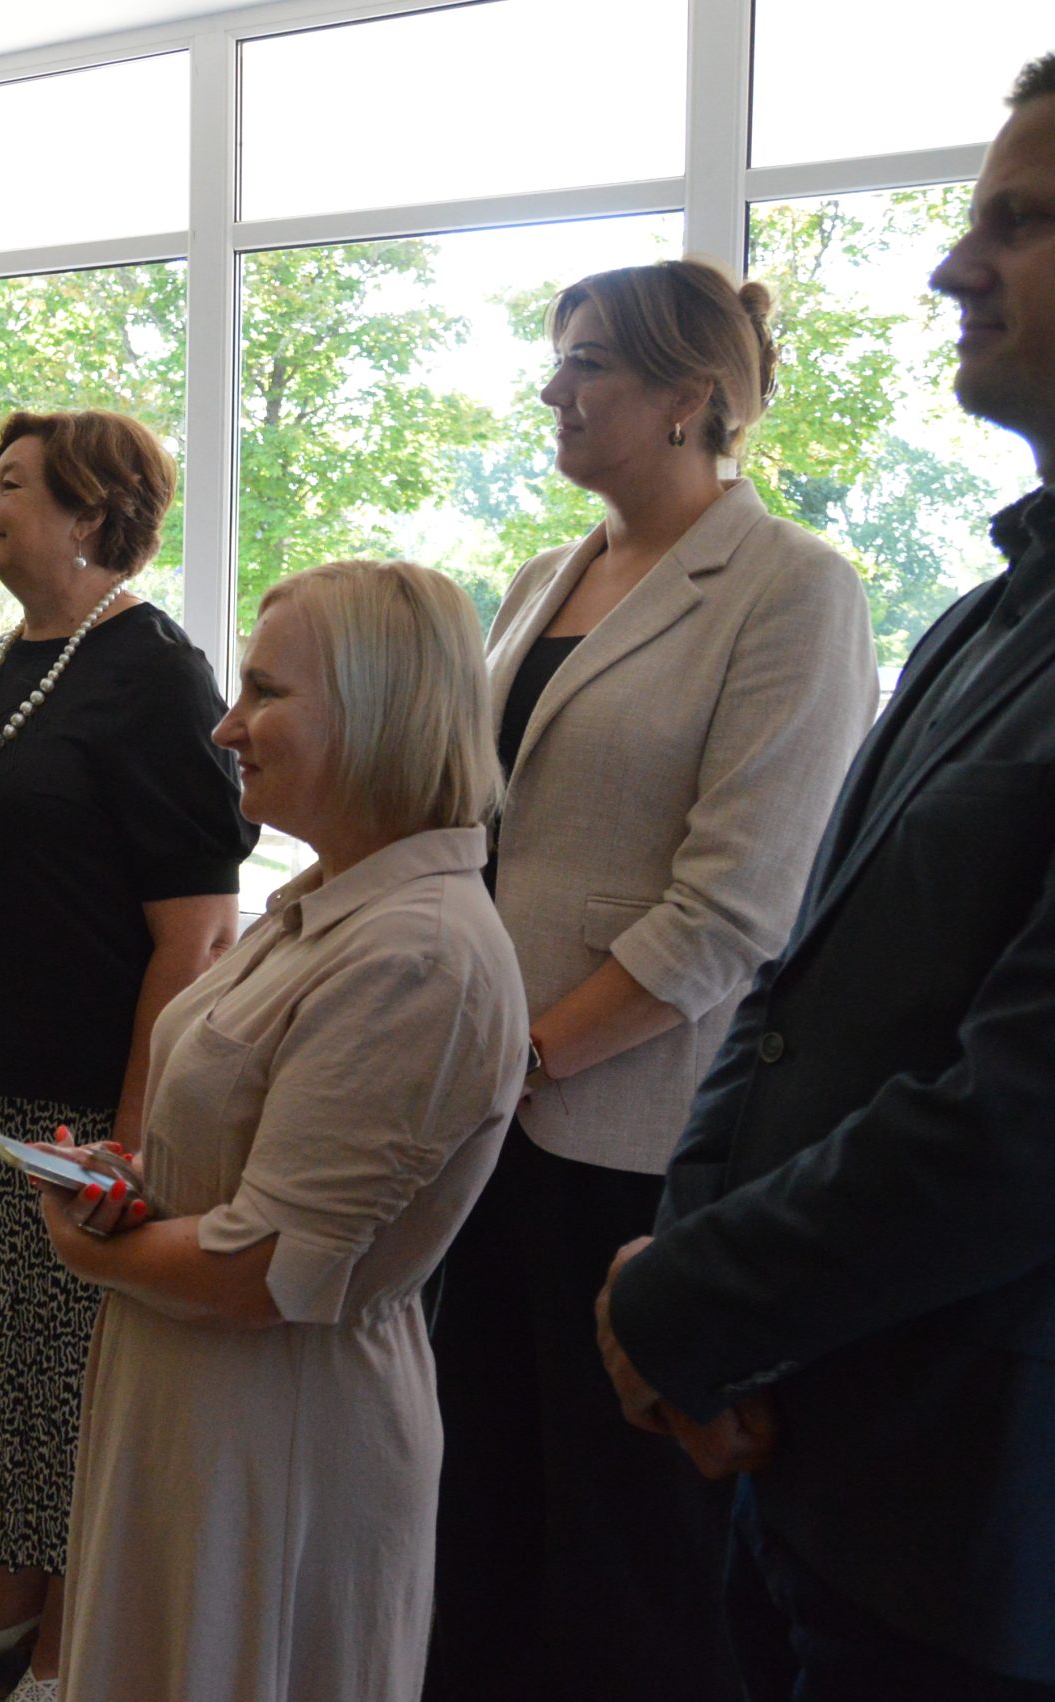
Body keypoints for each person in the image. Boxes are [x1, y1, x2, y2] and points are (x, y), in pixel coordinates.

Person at [597, 57, 1055, 1698]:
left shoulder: (808, 590)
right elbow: (801, 983)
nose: (953, 266)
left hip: (981, 1528)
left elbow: (1021, 1119)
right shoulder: (989, 615)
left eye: (1021, 222)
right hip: (809, 1447)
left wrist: (691, 1301)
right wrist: (691, 1274)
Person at [426, 260, 876, 1702]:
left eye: (586, 364)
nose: (551, 390)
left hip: (633, 1134)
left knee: (625, 1541)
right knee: (479, 1487)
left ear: (691, 398)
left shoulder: (793, 589)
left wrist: (532, 1053)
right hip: (492, 1108)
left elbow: (738, 903)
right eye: (556, 359)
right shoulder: (542, 577)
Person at [42, 558, 527, 1702]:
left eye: (263, 692)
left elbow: (263, 1268)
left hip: (278, 1425)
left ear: (375, 708)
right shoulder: (329, 905)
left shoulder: (417, 954)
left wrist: (85, 1241)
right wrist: (135, 1180)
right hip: (202, 1396)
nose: (226, 726)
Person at [0, 409, 254, 1696]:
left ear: (92, 514)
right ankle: (12, 1597)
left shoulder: (154, 673)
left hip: (78, 1107)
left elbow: (196, 934)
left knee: (66, 1377)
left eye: (13, 485)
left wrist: (133, 1136)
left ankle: (76, 1635)